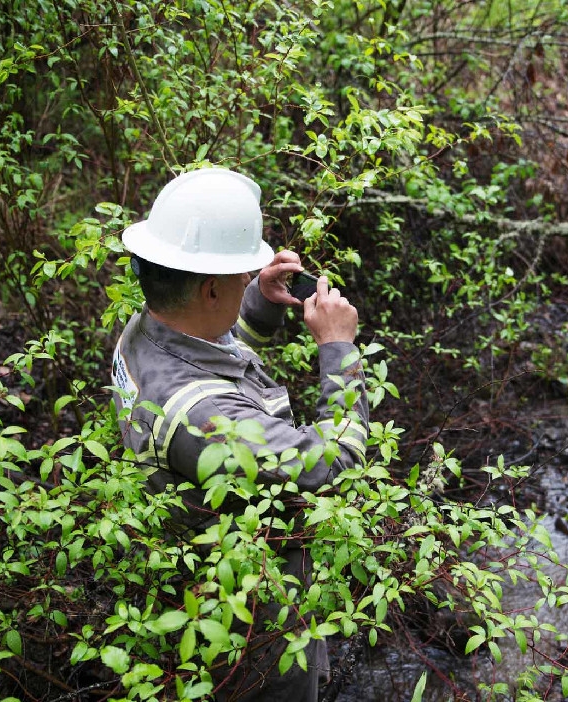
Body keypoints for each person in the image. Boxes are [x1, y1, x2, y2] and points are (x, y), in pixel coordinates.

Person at [110, 167, 369, 701]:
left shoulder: (146, 333)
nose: (247, 278)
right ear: (208, 288)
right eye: (238, 275)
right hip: (253, 634)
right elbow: (334, 461)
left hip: (209, 586)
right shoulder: (206, 418)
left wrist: (254, 300)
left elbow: (218, 352)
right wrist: (338, 348)